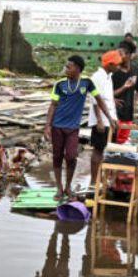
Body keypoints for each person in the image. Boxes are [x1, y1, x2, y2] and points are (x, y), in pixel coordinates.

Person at [44, 55, 113, 203]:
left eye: (69, 67)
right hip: (57, 126)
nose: (66, 69)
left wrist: (110, 118)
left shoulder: (87, 83)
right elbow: (53, 105)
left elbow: (99, 100)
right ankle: (59, 187)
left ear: (77, 68)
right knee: (57, 156)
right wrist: (47, 126)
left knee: (71, 156)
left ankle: (68, 186)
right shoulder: (60, 84)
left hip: (73, 128)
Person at [87, 51, 122, 187]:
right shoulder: (97, 77)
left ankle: (103, 180)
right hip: (101, 119)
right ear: (110, 64)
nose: (119, 67)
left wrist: (114, 116)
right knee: (98, 149)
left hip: (110, 118)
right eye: (117, 64)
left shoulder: (109, 76)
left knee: (107, 150)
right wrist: (99, 120)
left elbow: (108, 99)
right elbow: (95, 100)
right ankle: (93, 181)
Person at [111, 40, 138, 136]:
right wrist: (111, 99)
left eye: (121, 54)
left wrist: (135, 102)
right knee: (112, 141)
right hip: (113, 113)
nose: (118, 57)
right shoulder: (113, 71)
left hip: (128, 114)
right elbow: (103, 93)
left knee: (123, 142)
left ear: (129, 55)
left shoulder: (136, 70)